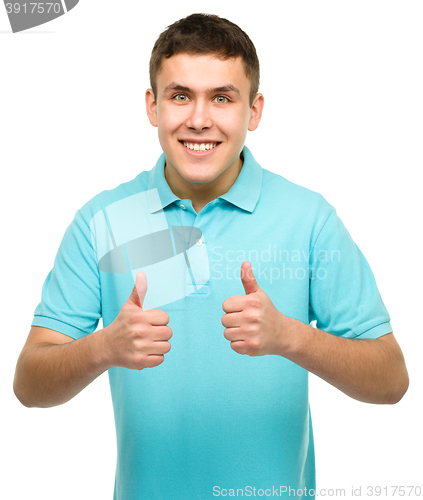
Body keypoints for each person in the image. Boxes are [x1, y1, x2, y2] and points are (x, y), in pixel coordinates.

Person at [13, 13, 409, 500]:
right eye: (180, 96)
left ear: (254, 111)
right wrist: (102, 349)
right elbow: (29, 384)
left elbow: (391, 380)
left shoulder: (310, 220)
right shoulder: (104, 220)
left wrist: (290, 337)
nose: (198, 119)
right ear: (152, 106)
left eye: (222, 98)